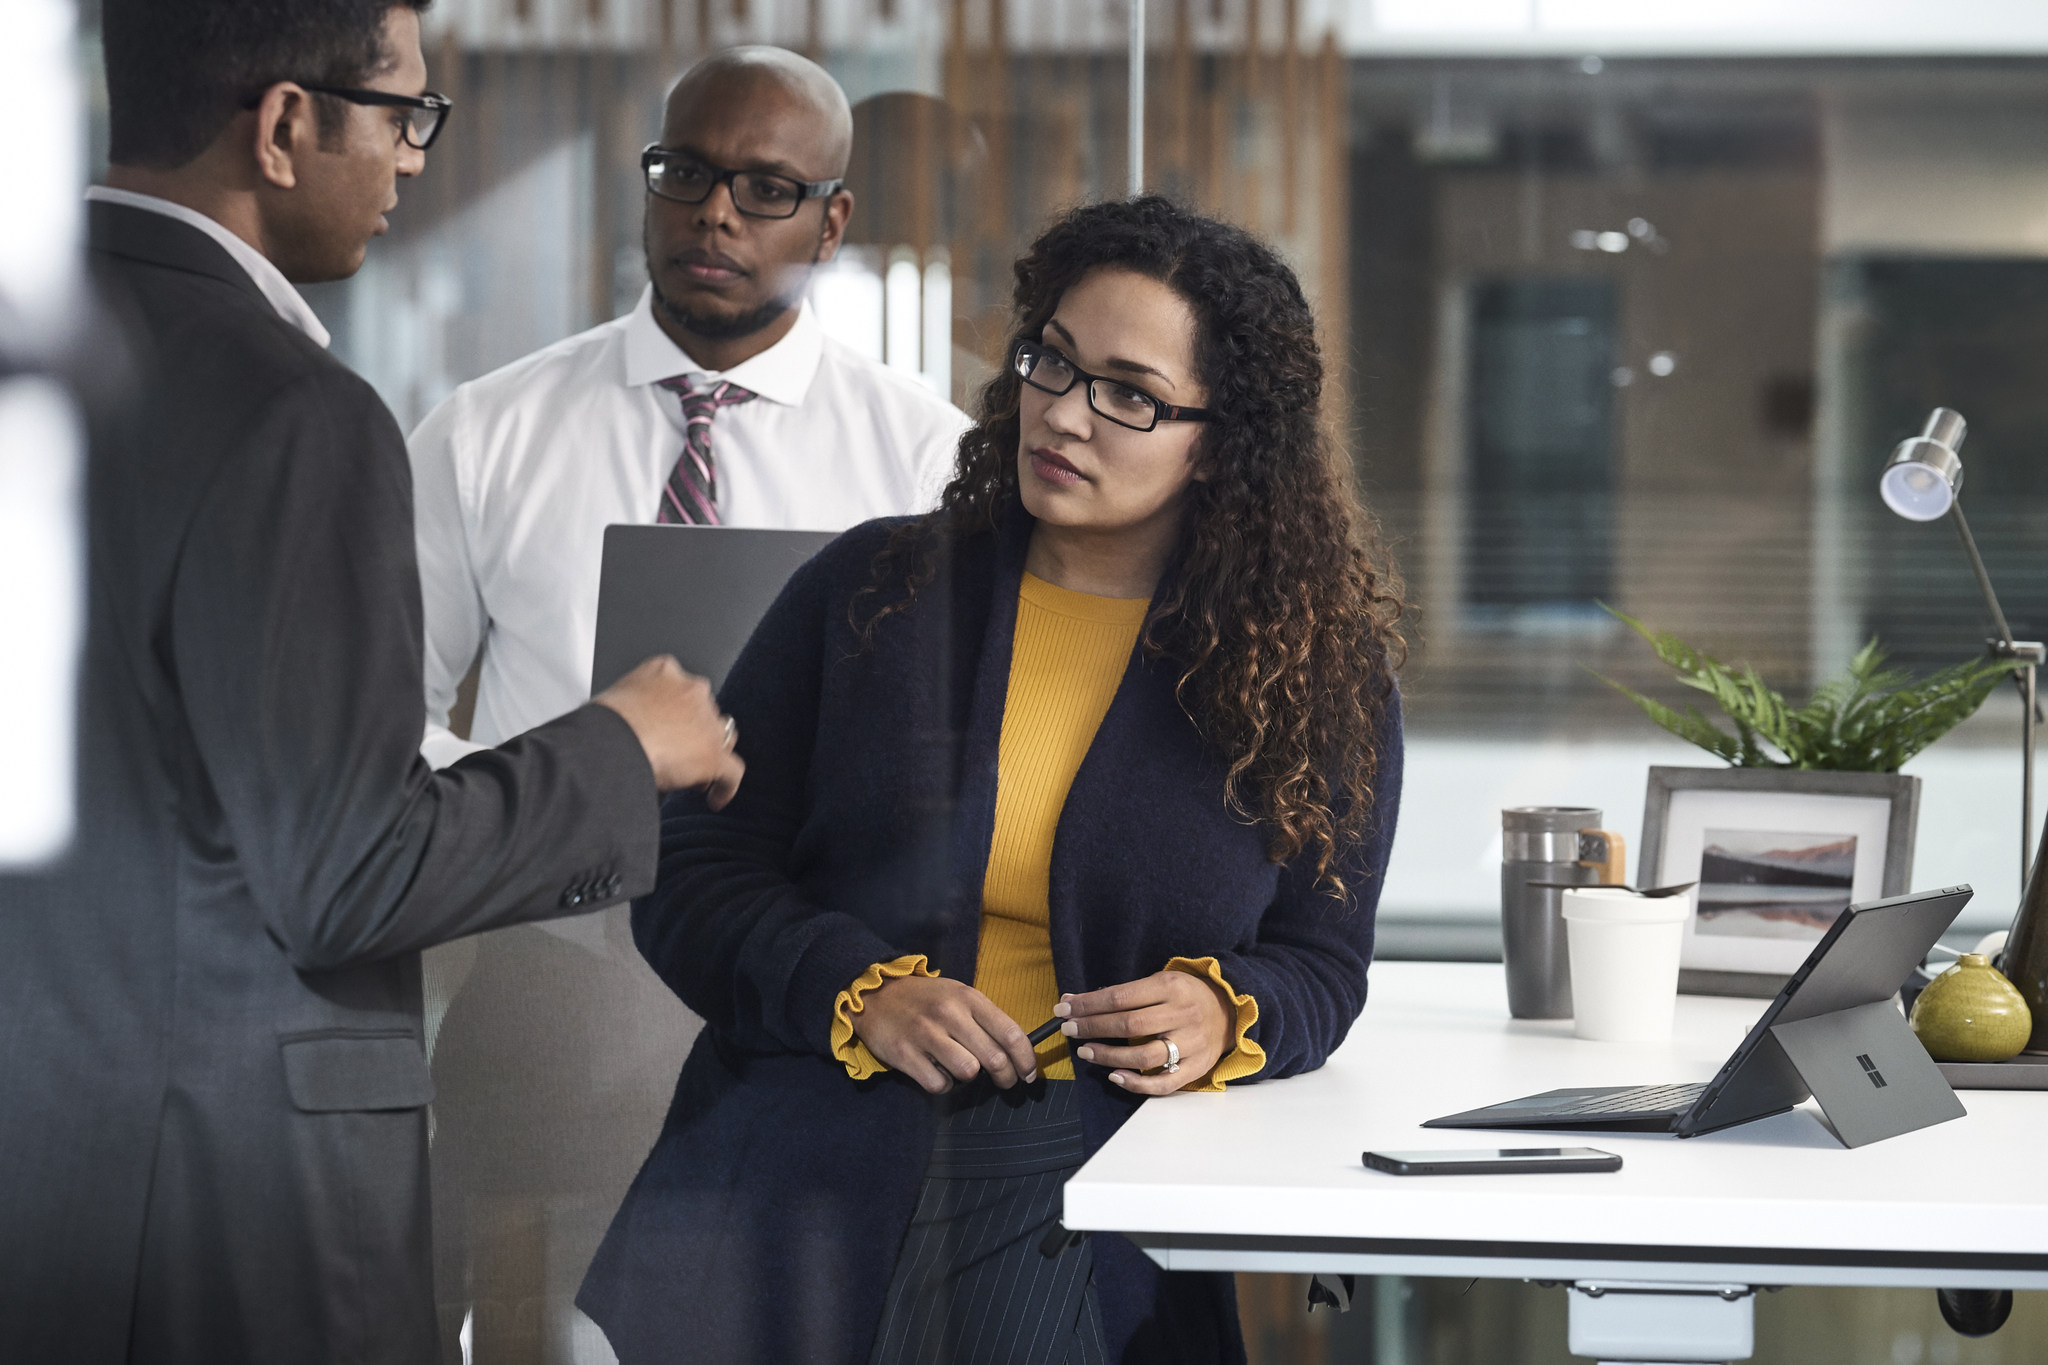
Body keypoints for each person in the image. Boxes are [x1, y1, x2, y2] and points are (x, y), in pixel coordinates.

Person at [0, 2, 742, 1362]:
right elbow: (345, 871)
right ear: (284, 125)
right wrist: (620, 747)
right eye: (404, 113)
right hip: (238, 1206)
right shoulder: (294, 412)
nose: (414, 159)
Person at [579, 197, 1407, 1364]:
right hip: (820, 1139)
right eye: (1051, 363)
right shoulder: (871, 592)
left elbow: (1322, 960)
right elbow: (694, 865)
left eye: (1128, 394)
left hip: (1098, 1163)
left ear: (1215, 441)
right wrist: (850, 992)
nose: (1063, 415)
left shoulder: (1307, 676)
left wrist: (1232, 1013)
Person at [408, 44, 969, 769]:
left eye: (766, 189)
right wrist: (531, 814)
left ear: (831, 225)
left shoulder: (926, 458)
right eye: (686, 173)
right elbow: (383, 725)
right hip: (541, 876)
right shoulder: (482, 436)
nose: (713, 213)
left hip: (798, 877)